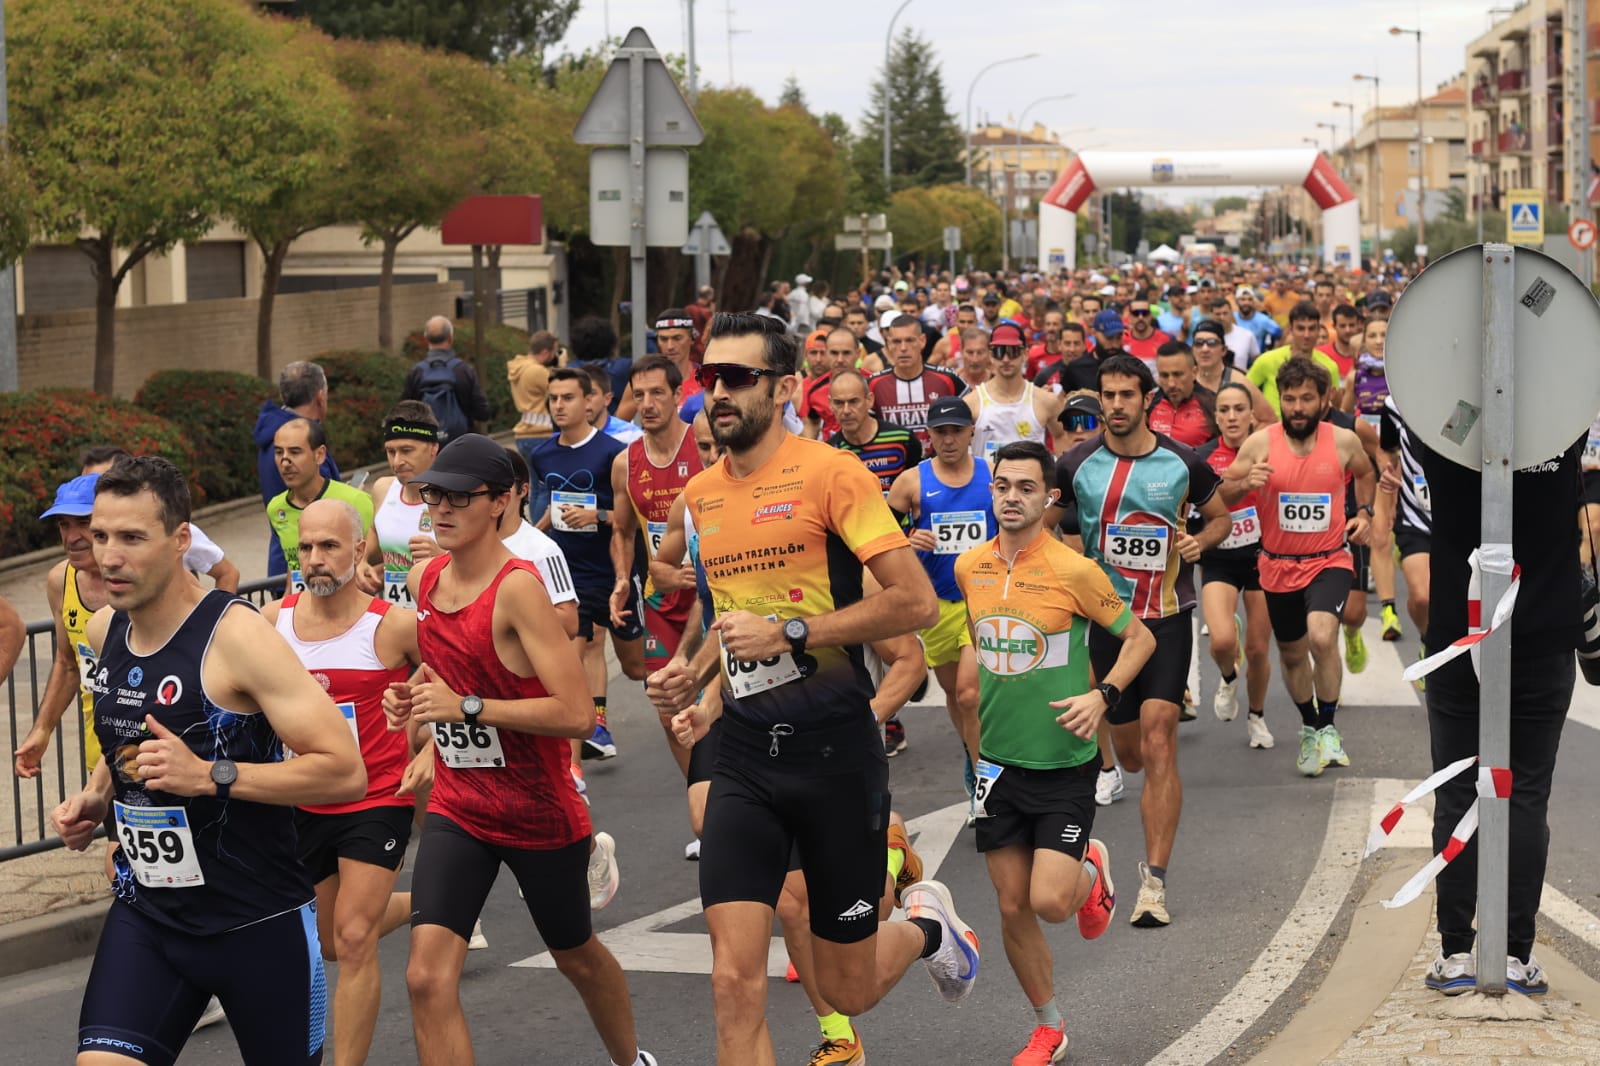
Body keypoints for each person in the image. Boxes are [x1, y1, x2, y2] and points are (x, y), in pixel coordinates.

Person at [646, 313, 981, 1065]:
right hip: (743, 760)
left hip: (834, 759)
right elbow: (730, 614)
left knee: (849, 988)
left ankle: (929, 926)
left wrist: (793, 634)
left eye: (738, 378)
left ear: (787, 386)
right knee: (734, 980)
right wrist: (690, 673)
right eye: (711, 379)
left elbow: (915, 605)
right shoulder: (700, 494)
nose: (719, 394)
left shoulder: (833, 474)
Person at [52, 454, 366, 1064]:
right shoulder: (105, 630)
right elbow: (131, 734)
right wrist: (99, 795)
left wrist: (210, 776)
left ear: (180, 542)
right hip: (149, 913)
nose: (109, 556)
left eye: (132, 538)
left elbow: (343, 768)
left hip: (256, 919)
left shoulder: (238, 637)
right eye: (101, 537)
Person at [384, 435, 655, 1066]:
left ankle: (631, 1059)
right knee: (425, 977)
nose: (440, 509)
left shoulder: (518, 588)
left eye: (458, 497)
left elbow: (577, 714)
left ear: (502, 500)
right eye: (432, 494)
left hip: (536, 810)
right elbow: (445, 672)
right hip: (460, 806)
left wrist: (468, 709)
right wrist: (415, 699)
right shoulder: (425, 577)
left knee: (577, 955)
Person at [955, 440, 1154, 1065]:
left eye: (1025, 488)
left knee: (1048, 902)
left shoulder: (1074, 571)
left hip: (1065, 763)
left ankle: (1090, 872)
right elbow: (984, 646)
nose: (1012, 497)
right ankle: (1048, 1026)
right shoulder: (969, 568)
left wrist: (1104, 697)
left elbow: (1140, 638)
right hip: (997, 767)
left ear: (1049, 499)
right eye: (1002, 486)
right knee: (1011, 905)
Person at [1051, 354, 1230, 928]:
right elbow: (1061, 530)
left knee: (1158, 739)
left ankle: (1153, 883)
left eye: (1128, 395)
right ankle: (1112, 850)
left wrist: (1203, 542)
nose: (1117, 405)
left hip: (1167, 620)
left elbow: (1220, 517)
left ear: (1147, 400)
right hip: (1108, 626)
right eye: (1108, 395)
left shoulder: (1184, 463)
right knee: (1127, 752)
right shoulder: (1076, 465)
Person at [1417, 427, 1580, 998]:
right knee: (1527, 794)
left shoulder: (1442, 427)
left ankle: (1457, 952)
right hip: (1544, 635)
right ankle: (1513, 956)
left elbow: (1418, 395)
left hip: (1459, 636)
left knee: (1459, 791)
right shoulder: (1563, 425)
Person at [261, 499, 424, 1066]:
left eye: (329, 547)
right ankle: (433, 902)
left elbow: (454, 672)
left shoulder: (394, 625)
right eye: (306, 548)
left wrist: (425, 740)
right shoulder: (271, 624)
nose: (316, 560)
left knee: (355, 938)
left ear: (359, 550)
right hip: (302, 801)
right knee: (330, 941)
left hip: (374, 798)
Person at [1221, 358, 1374, 778]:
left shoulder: (1342, 440)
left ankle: (1328, 727)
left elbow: (1365, 473)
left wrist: (1365, 512)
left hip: (1329, 560)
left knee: (1322, 638)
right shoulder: (1259, 444)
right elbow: (1222, 497)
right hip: (1277, 565)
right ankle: (1310, 726)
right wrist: (1242, 484)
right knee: (1291, 654)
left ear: (1324, 401)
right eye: (1289, 399)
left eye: (1307, 398)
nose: (1298, 407)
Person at [529, 368, 646, 765]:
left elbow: (631, 520)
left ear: (588, 403)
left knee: (633, 666)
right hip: (566, 569)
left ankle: (681, 687)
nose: (559, 406)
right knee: (579, 647)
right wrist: (530, 538)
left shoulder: (613, 452)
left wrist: (596, 516)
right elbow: (550, 507)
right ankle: (580, 750)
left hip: (610, 566)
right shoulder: (542, 454)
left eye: (568, 398)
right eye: (554, 399)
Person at [885, 396, 994, 767]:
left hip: (984, 601)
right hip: (938, 605)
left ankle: (986, 783)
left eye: (956, 432)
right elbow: (880, 538)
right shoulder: (911, 481)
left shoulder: (992, 474)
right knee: (954, 693)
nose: (948, 440)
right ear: (929, 434)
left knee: (969, 693)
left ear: (970, 433)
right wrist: (908, 538)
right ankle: (973, 756)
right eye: (940, 432)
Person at [608, 355, 703, 777]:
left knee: (724, 701)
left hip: (713, 594)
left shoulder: (704, 445)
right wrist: (620, 580)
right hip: (662, 598)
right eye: (638, 395)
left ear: (678, 395)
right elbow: (623, 532)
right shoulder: (625, 463)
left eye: (657, 393)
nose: (646, 404)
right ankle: (700, 791)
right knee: (668, 706)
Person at [1195, 383, 1274, 749]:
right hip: (1220, 558)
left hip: (1262, 557)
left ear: (1251, 415)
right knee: (1223, 640)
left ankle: (1256, 716)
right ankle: (1228, 677)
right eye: (1224, 410)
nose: (1231, 417)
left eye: (1239, 409)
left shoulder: (1269, 448)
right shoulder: (1204, 456)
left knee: (1259, 648)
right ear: (1216, 417)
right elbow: (1209, 498)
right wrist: (1244, 483)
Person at [78, 448, 239, 594]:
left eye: (131, 538)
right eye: (100, 536)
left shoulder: (175, 529)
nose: (109, 560)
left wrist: (215, 621)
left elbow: (228, 573)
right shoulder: (71, 565)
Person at [266, 418, 376, 598]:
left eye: (295, 452)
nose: (285, 462)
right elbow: (294, 563)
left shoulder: (354, 500)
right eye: (279, 452)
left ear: (319, 455)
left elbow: (384, 559)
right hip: (305, 614)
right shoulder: (276, 508)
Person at [254, 360, 339, 582]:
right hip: (306, 565)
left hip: (284, 560)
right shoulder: (297, 438)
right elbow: (321, 500)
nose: (286, 461)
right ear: (320, 396)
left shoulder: (271, 434)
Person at [359, 402, 443, 611]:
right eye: (390, 452)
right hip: (393, 621)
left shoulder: (454, 497)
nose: (397, 461)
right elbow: (377, 531)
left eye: (406, 451)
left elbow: (481, 562)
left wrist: (442, 556)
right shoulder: (383, 488)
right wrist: (361, 560)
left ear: (433, 448)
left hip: (440, 620)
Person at [966, 322, 1064, 460]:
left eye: (1013, 352)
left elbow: (1062, 437)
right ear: (991, 356)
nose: (1006, 359)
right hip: (987, 481)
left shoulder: (1046, 401)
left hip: (1031, 480)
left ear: (1025, 354)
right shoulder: (971, 403)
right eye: (999, 352)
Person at [868, 314, 962, 453]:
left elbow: (969, 421)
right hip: (894, 466)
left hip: (939, 467)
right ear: (888, 344)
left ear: (922, 341)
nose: (903, 348)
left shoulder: (947, 379)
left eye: (910, 340)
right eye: (896, 342)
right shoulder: (873, 384)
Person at [830, 368, 924, 494]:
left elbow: (921, 489)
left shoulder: (903, 439)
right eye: (839, 403)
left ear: (869, 400)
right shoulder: (830, 451)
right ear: (830, 404)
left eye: (854, 401)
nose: (846, 411)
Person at [400, 316, 491, 441]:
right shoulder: (464, 370)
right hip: (461, 444)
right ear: (450, 338)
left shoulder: (416, 372)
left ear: (426, 339)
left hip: (428, 446)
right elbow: (482, 413)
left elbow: (404, 412)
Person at [1247, 302, 1344, 415]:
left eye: (1312, 329)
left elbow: (1335, 405)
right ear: (1291, 329)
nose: (1306, 335)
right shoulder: (1267, 360)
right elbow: (1244, 391)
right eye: (1301, 329)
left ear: (1318, 330)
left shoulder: (1329, 366)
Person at [1146, 341, 1218, 450]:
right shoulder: (1148, 404)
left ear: (1194, 372)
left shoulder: (1213, 404)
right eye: (1164, 376)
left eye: (1178, 374)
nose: (1171, 384)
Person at [508, 328, 559, 477]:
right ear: (544, 353)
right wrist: (561, 366)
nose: (555, 356)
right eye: (554, 352)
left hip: (524, 434)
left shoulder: (519, 367)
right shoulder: (537, 371)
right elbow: (561, 387)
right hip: (540, 433)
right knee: (544, 487)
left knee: (536, 488)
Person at [654, 308, 704, 403]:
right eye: (664, 339)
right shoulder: (646, 381)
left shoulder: (705, 380)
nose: (670, 346)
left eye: (677, 338)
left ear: (692, 339)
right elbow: (619, 418)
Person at [1121, 297, 1172, 367]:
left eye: (1145, 313)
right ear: (1130, 317)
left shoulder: (1166, 339)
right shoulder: (1122, 339)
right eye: (1136, 313)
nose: (1140, 317)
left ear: (1150, 316)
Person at [1231, 287, 1283, 355]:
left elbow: (1280, 335)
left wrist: (1273, 353)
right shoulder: (1231, 318)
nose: (1246, 302)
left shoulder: (1263, 319)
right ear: (1237, 302)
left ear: (1254, 302)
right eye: (1242, 299)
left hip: (1256, 359)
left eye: (1250, 299)